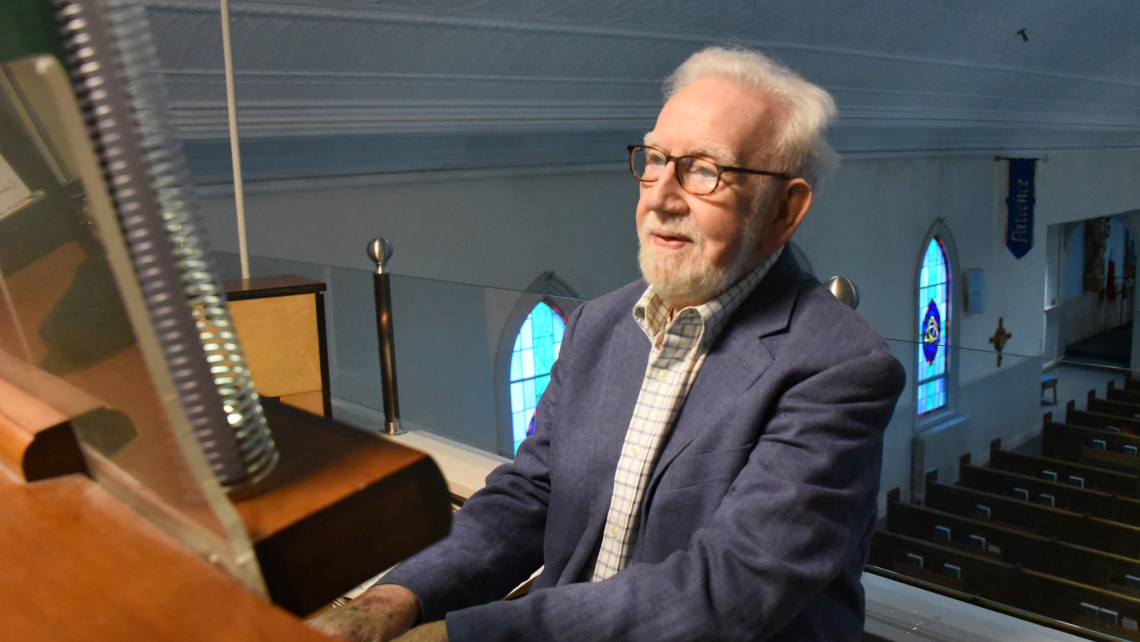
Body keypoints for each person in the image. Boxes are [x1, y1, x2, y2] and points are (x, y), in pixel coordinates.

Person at [309, 45, 906, 642]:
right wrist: (396, 600)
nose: (661, 197)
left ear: (785, 208)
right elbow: (529, 495)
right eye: (654, 160)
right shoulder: (599, 324)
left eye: (704, 170)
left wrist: (460, 637)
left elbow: (731, 588)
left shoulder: (841, 366)